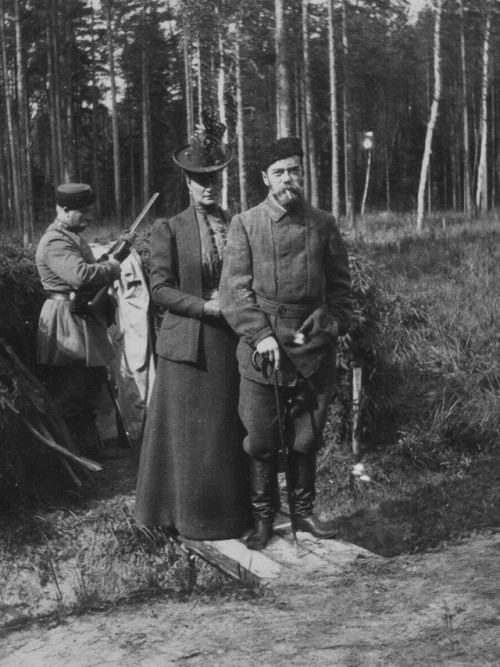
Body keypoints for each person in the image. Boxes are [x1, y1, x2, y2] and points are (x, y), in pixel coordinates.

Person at [219, 137, 353, 550]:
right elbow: (234, 291)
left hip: (312, 346)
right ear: (265, 178)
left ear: (303, 173)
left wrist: (329, 322)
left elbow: (343, 293)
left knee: (306, 435)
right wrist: (259, 336)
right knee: (261, 438)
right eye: (279, 172)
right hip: (265, 349)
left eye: (294, 170)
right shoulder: (246, 224)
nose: (288, 179)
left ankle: (304, 512)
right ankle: (262, 519)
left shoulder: (323, 223)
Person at [134, 116, 250, 540]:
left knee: (225, 434)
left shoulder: (237, 224)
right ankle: (183, 520)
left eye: (215, 178)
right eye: (200, 180)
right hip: (187, 348)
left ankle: (230, 520)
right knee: (187, 440)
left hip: (230, 344)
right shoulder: (169, 229)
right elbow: (160, 290)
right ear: (186, 182)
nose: (209, 187)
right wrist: (205, 306)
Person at [36, 183, 135, 459]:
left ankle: (93, 448)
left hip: (79, 317)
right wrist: (112, 266)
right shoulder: (55, 240)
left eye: (90, 210)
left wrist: (116, 252)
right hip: (65, 320)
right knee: (71, 390)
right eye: (83, 211)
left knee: (89, 385)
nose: (89, 216)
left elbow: (89, 270)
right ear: (64, 210)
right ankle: (72, 454)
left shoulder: (71, 236)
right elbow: (79, 276)